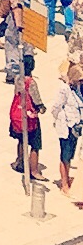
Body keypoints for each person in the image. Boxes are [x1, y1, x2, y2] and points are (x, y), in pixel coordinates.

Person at [12, 51, 45, 179]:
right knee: (35, 144)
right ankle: (34, 171)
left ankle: (20, 162)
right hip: (30, 117)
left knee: (21, 140)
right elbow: (36, 99)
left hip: (18, 113)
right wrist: (42, 108)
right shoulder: (31, 82)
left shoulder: (17, 78)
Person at [52, 60, 83, 199]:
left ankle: (67, 177)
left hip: (75, 126)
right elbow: (56, 107)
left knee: (70, 155)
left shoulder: (78, 89)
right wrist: (59, 121)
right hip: (66, 126)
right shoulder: (64, 89)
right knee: (65, 155)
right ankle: (64, 184)